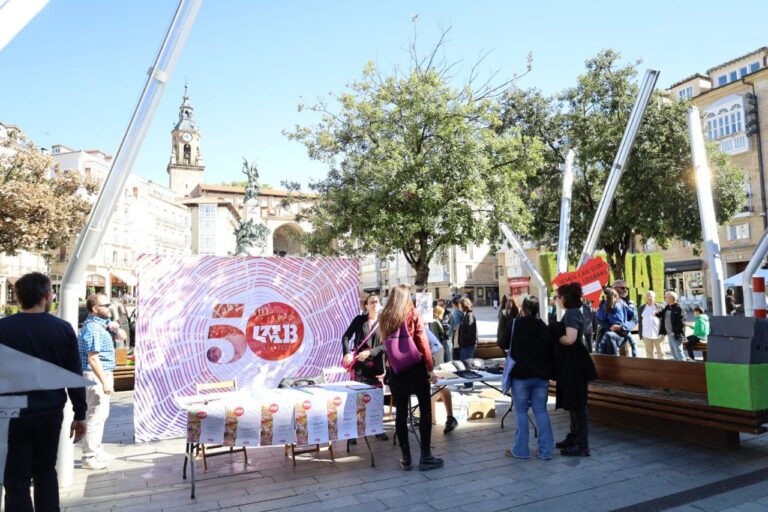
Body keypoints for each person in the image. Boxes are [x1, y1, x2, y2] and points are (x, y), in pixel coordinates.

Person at [0, 272, 87, 511]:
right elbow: (74, 373)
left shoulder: (3, 328)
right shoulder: (62, 329)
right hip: (49, 412)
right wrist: (80, 413)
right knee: (46, 472)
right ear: (47, 295)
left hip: (11, 414)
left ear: (19, 298)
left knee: (15, 480)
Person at [380, 285, 443, 471]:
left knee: (400, 413)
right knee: (425, 409)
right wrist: (430, 368)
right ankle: (425, 456)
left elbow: (385, 345)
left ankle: (406, 458)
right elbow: (422, 342)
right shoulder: (412, 313)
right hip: (415, 368)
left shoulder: (385, 316)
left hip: (397, 370)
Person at [78, 293, 126, 470]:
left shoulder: (103, 324)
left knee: (102, 414)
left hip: (103, 372)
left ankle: (97, 449)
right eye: (106, 305)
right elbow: (93, 358)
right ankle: (88, 456)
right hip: (94, 375)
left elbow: (122, 336)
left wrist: (114, 327)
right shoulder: (92, 328)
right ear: (94, 309)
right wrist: (105, 382)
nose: (110, 308)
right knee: (94, 416)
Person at [505, 296, 555, 460]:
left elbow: (503, 342)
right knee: (541, 411)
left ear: (524, 309)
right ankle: (546, 451)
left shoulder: (515, 324)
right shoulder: (544, 327)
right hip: (541, 376)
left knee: (521, 412)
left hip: (520, 375)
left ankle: (521, 450)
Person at [554, 283, 597, 457]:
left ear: (564, 298)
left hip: (575, 364)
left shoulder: (571, 314)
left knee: (578, 405)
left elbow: (570, 339)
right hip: (574, 362)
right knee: (574, 403)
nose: (556, 300)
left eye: (557, 297)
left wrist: (554, 334)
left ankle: (582, 444)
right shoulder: (573, 313)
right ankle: (574, 437)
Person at [341, 294, 388, 441]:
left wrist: (370, 352)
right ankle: (353, 432)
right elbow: (346, 337)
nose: (375, 303)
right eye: (371, 302)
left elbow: (386, 345)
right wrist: (347, 353)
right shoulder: (359, 320)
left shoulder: (384, 322)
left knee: (377, 399)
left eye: (377, 301)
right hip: (360, 367)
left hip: (376, 367)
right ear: (366, 306)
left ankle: (377, 428)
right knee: (356, 399)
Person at [428, 306, 458, 434]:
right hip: (432, 351)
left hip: (435, 353)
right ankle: (429, 416)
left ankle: (450, 417)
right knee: (435, 386)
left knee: (440, 384)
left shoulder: (420, 326)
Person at [596, 287, 630, 356]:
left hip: (612, 331)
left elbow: (601, 318)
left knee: (603, 352)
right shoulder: (619, 303)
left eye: (604, 296)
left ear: (608, 296)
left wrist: (599, 309)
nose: (604, 297)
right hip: (620, 332)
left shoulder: (607, 305)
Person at [612, 280, 638, 357]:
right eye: (623, 288)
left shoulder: (629, 303)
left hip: (624, 333)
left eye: (626, 288)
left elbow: (635, 319)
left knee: (627, 354)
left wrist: (622, 328)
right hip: (610, 333)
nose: (625, 290)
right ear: (614, 289)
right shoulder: (605, 303)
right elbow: (601, 320)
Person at [657, 291, 686, 361]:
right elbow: (662, 314)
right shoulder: (667, 307)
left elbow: (681, 322)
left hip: (675, 334)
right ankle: (677, 368)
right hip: (669, 333)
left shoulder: (679, 308)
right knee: (673, 352)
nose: (665, 299)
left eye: (665, 297)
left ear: (671, 298)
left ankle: (684, 368)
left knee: (678, 352)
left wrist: (674, 331)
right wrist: (656, 313)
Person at [457, 298, 478, 389]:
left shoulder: (469, 315)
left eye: (460, 305)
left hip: (468, 345)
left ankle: (469, 385)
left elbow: (470, 332)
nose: (459, 307)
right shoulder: (465, 315)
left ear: (463, 305)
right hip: (465, 345)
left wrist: (463, 341)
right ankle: (467, 383)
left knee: (467, 365)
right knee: (464, 365)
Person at [639, 291, 665, 359]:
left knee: (661, 353)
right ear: (646, 298)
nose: (649, 298)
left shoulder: (660, 307)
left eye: (651, 296)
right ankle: (651, 368)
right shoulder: (642, 308)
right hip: (646, 335)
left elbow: (664, 319)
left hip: (658, 334)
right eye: (648, 296)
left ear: (654, 297)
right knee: (649, 354)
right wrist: (640, 334)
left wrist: (664, 332)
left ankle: (663, 368)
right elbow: (640, 321)